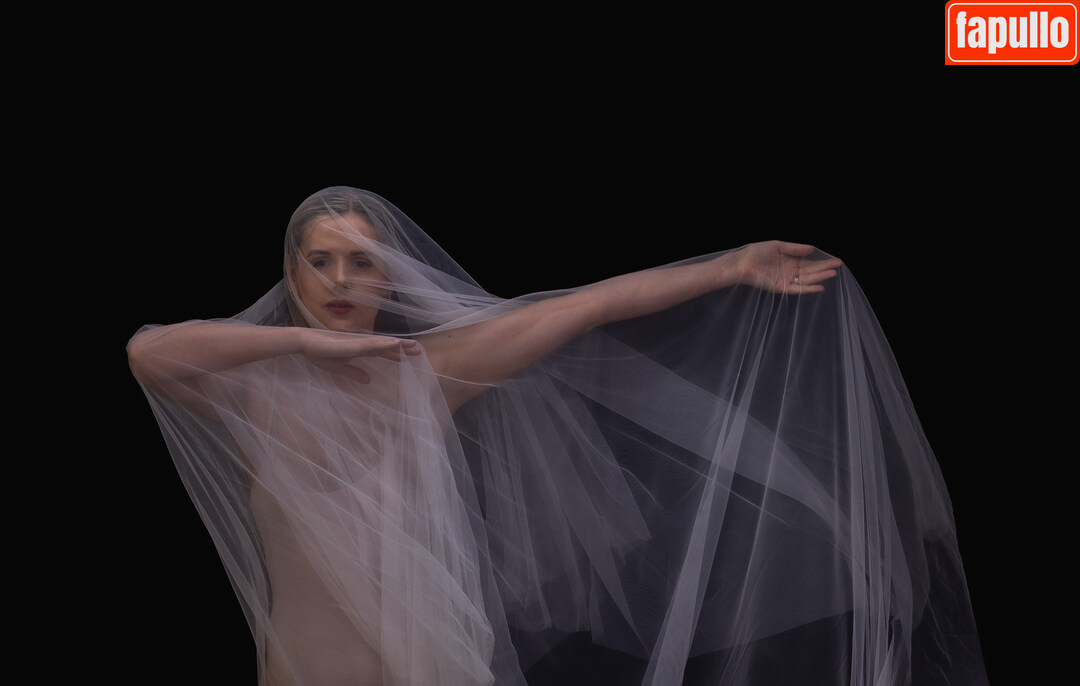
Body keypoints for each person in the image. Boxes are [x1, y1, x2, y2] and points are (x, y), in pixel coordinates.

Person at [128, 187, 988, 686]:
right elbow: (148, 353)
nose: (342, 280)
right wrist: (307, 344)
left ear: (393, 276)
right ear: (291, 272)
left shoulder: (425, 374)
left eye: (363, 261)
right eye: (321, 261)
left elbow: (590, 305)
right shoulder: (252, 392)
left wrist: (731, 266)